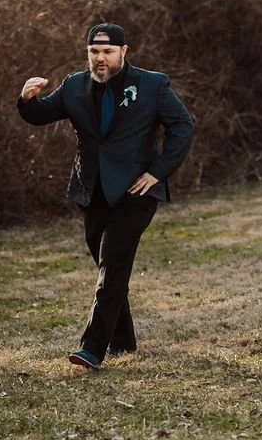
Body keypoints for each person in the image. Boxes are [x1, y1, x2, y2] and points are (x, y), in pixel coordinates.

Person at [17, 23, 193, 370]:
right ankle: (123, 342)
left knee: (112, 265)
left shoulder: (152, 84)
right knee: (107, 267)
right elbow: (41, 115)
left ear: (123, 52)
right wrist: (26, 99)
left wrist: (157, 172)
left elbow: (182, 126)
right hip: (91, 190)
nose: (100, 59)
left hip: (135, 191)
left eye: (107, 52)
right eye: (94, 52)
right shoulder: (73, 86)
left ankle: (91, 349)